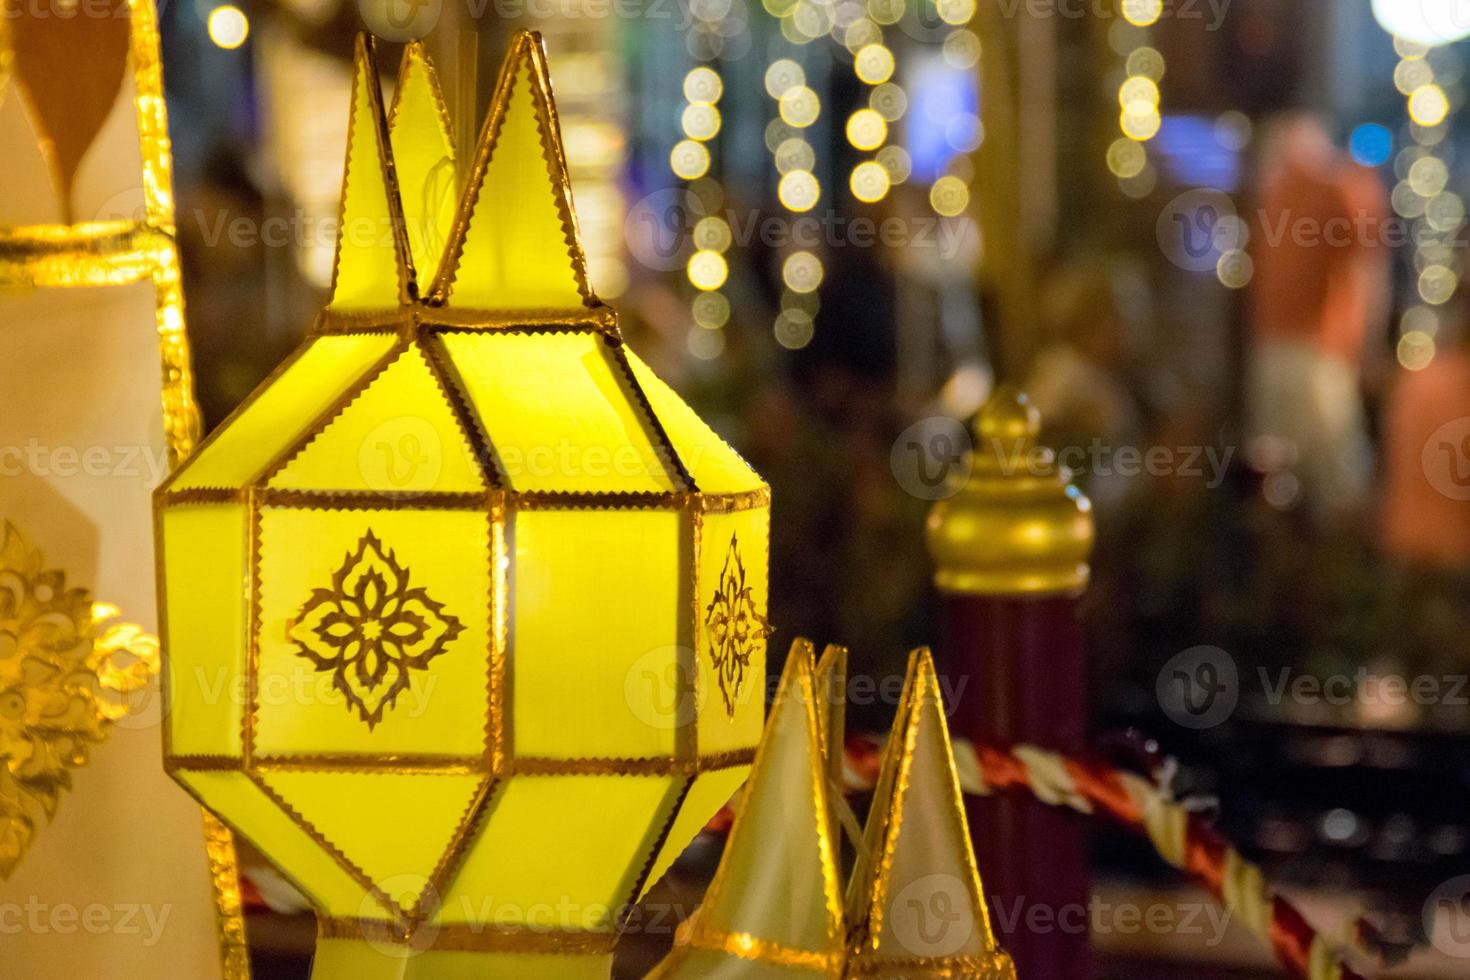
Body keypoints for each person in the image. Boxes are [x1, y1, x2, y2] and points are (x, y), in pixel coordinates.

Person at [1246, 114, 1391, 523]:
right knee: (1299, 472)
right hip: (1289, 349)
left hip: (1317, 350)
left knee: (1323, 472)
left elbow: (1366, 275)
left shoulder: (1338, 189)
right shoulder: (1277, 193)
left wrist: (1364, 347)